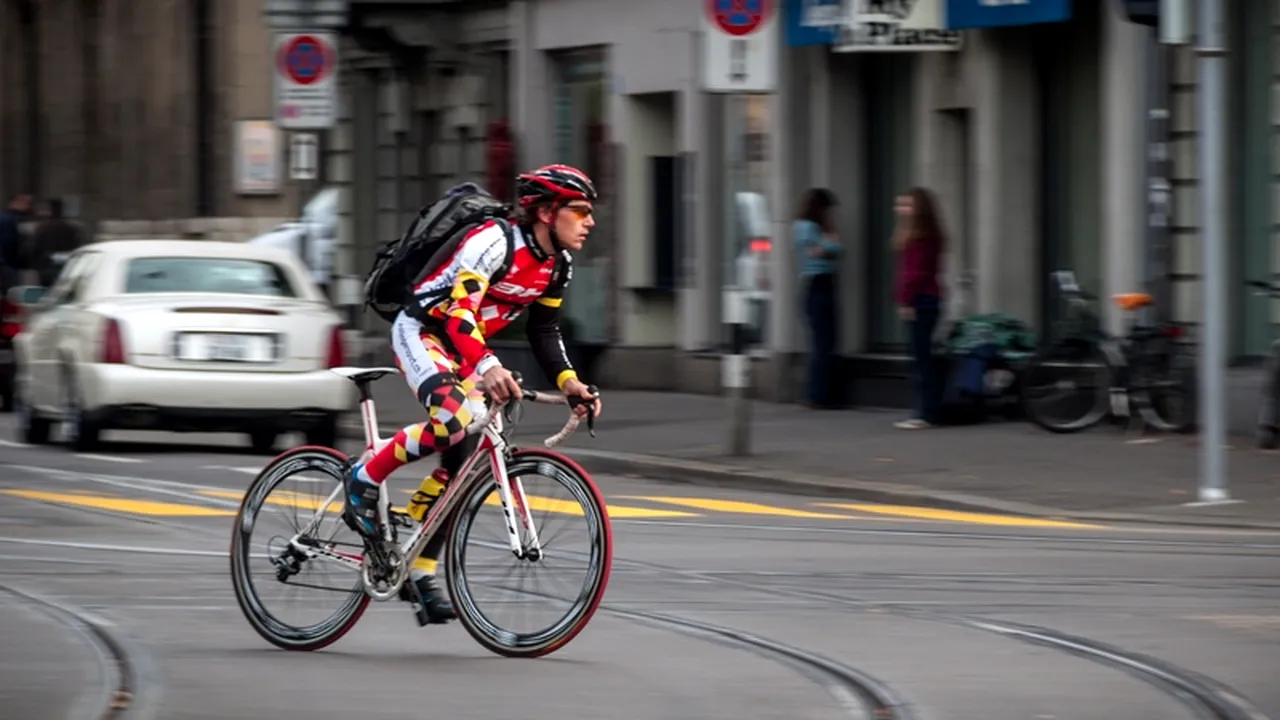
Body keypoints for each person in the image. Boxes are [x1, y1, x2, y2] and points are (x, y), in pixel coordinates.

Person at [342, 164, 604, 623]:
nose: (590, 221)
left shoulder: (556, 265)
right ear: (546, 212)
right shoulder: (491, 242)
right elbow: (460, 314)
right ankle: (364, 476)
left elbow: (544, 330)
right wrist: (490, 366)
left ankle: (419, 569)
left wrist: (570, 383)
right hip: (426, 330)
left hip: (466, 350)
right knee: (452, 418)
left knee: (464, 463)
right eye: (580, 210)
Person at [892, 187, 946, 429]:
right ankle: (926, 410)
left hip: (920, 300)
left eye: (906, 205)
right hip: (928, 298)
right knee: (922, 356)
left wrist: (905, 300)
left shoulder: (919, 238)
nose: (900, 210)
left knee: (920, 358)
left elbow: (914, 273)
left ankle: (925, 413)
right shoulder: (928, 236)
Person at [792, 188, 841, 408]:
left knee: (821, 341)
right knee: (824, 341)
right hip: (819, 282)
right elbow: (824, 250)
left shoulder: (800, 226)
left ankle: (818, 393)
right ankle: (819, 395)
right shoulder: (809, 227)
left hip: (814, 284)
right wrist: (832, 242)